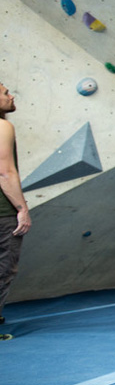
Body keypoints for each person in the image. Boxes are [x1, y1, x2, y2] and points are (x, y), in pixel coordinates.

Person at [0, 82, 31, 341]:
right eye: (5, 93)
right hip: (2, 212)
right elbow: (5, 172)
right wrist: (22, 209)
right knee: (4, 267)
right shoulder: (3, 126)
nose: (11, 96)